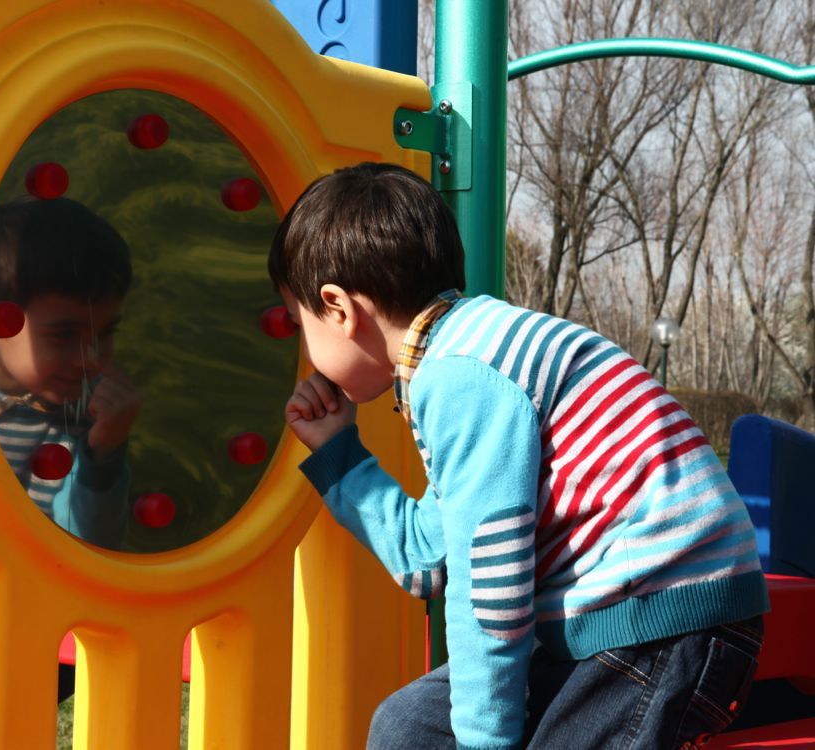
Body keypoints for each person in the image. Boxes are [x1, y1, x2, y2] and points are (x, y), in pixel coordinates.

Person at [270, 162, 769, 749]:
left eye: (298, 321)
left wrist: (485, 742)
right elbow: (430, 559)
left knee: (474, 730)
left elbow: (492, 592)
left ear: (337, 309)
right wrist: (339, 455)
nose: (304, 345)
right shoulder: (466, 355)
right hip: (619, 626)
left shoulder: (461, 376)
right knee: (409, 729)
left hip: (663, 621)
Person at [0, 196, 141, 551]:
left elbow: (89, 544)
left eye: (106, 333)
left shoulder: (89, 410)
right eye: (64, 334)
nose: (91, 360)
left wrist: (104, 452)